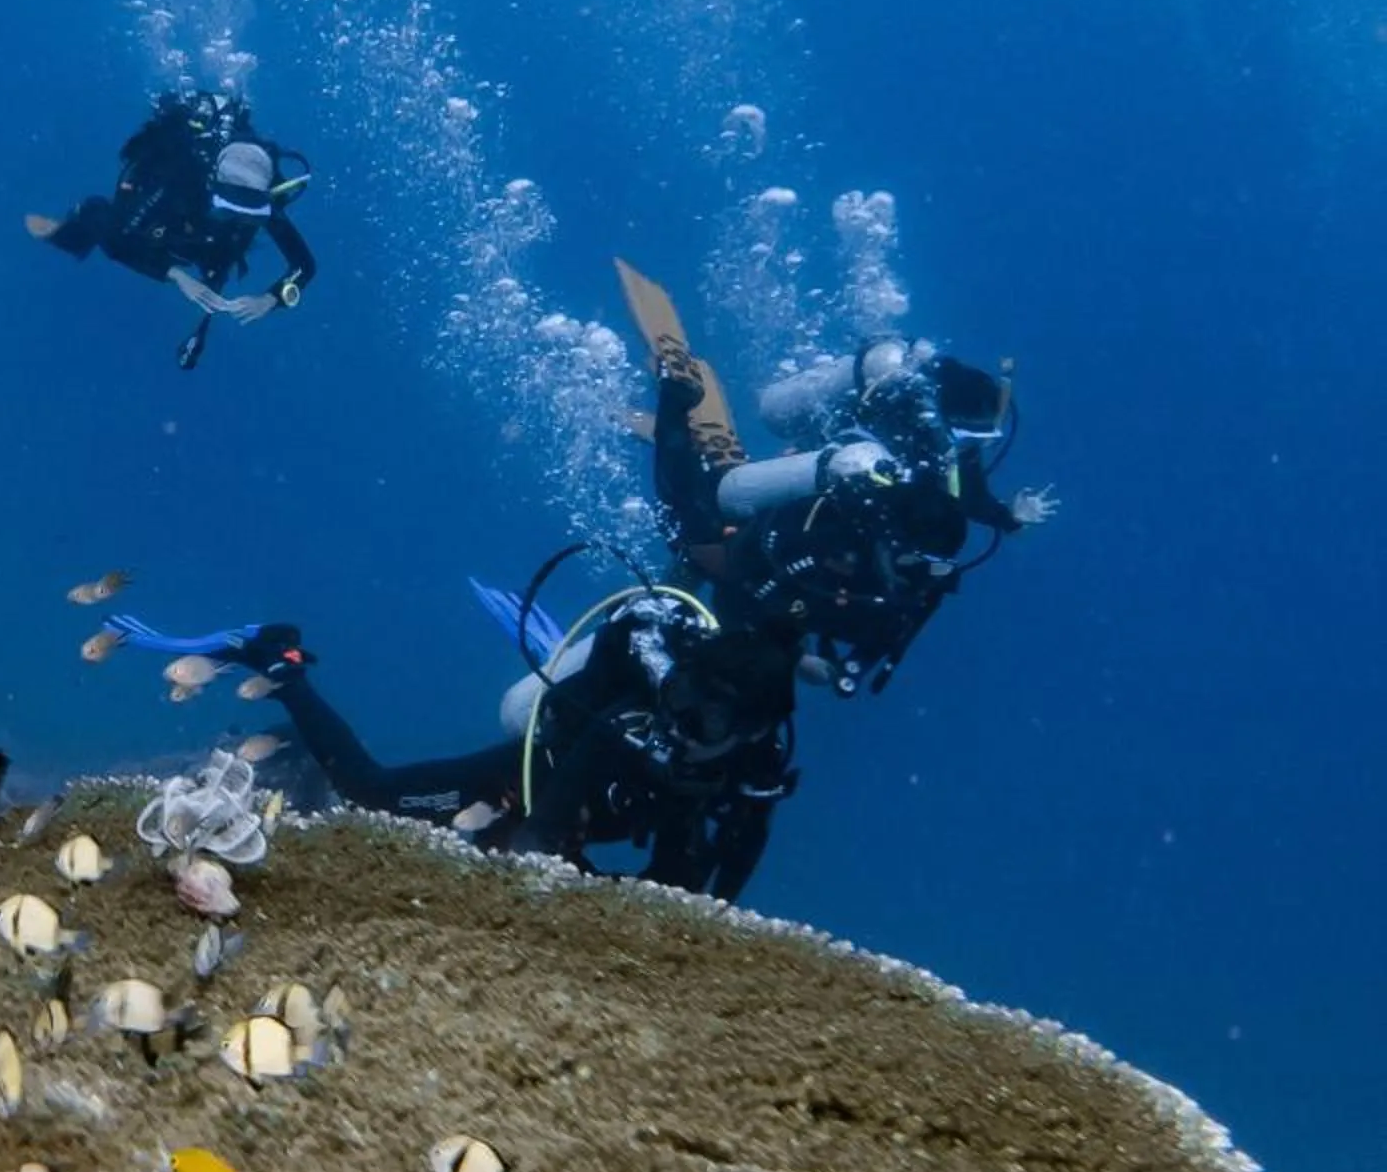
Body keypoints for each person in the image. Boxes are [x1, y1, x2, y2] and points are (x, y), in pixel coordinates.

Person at [106, 591, 803, 902]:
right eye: (677, 705)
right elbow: (541, 839)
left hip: (595, 817)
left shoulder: (755, 775)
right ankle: (279, 665)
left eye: (704, 726)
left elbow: (695, 893)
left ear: (748, 733)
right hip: (537, 777)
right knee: (370, 791)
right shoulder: (626, 726)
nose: (677, 730)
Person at [651, 334, 1054, 697]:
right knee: (693, 524)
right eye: (973, 435)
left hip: (802, 513)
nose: (974, 449)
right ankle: (675, 403)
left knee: (716, 542)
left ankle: (730, 485)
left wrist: (1007, 518)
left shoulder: (928, 493)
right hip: (807, 490)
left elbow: (966, 495)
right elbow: (763, 576)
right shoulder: (908, 431)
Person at [35, 90, 316, 368]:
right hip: (172, 232)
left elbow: (304, 264)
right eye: (229, 210)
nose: (238, 220)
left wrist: (271, 299)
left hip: (209, 248)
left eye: (251, 217)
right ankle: (73, 226)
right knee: (108, 224)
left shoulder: (263, 197)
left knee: (218, 265)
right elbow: (118, 244)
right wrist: (176, 275)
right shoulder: (178, 178)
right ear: (212, 187)